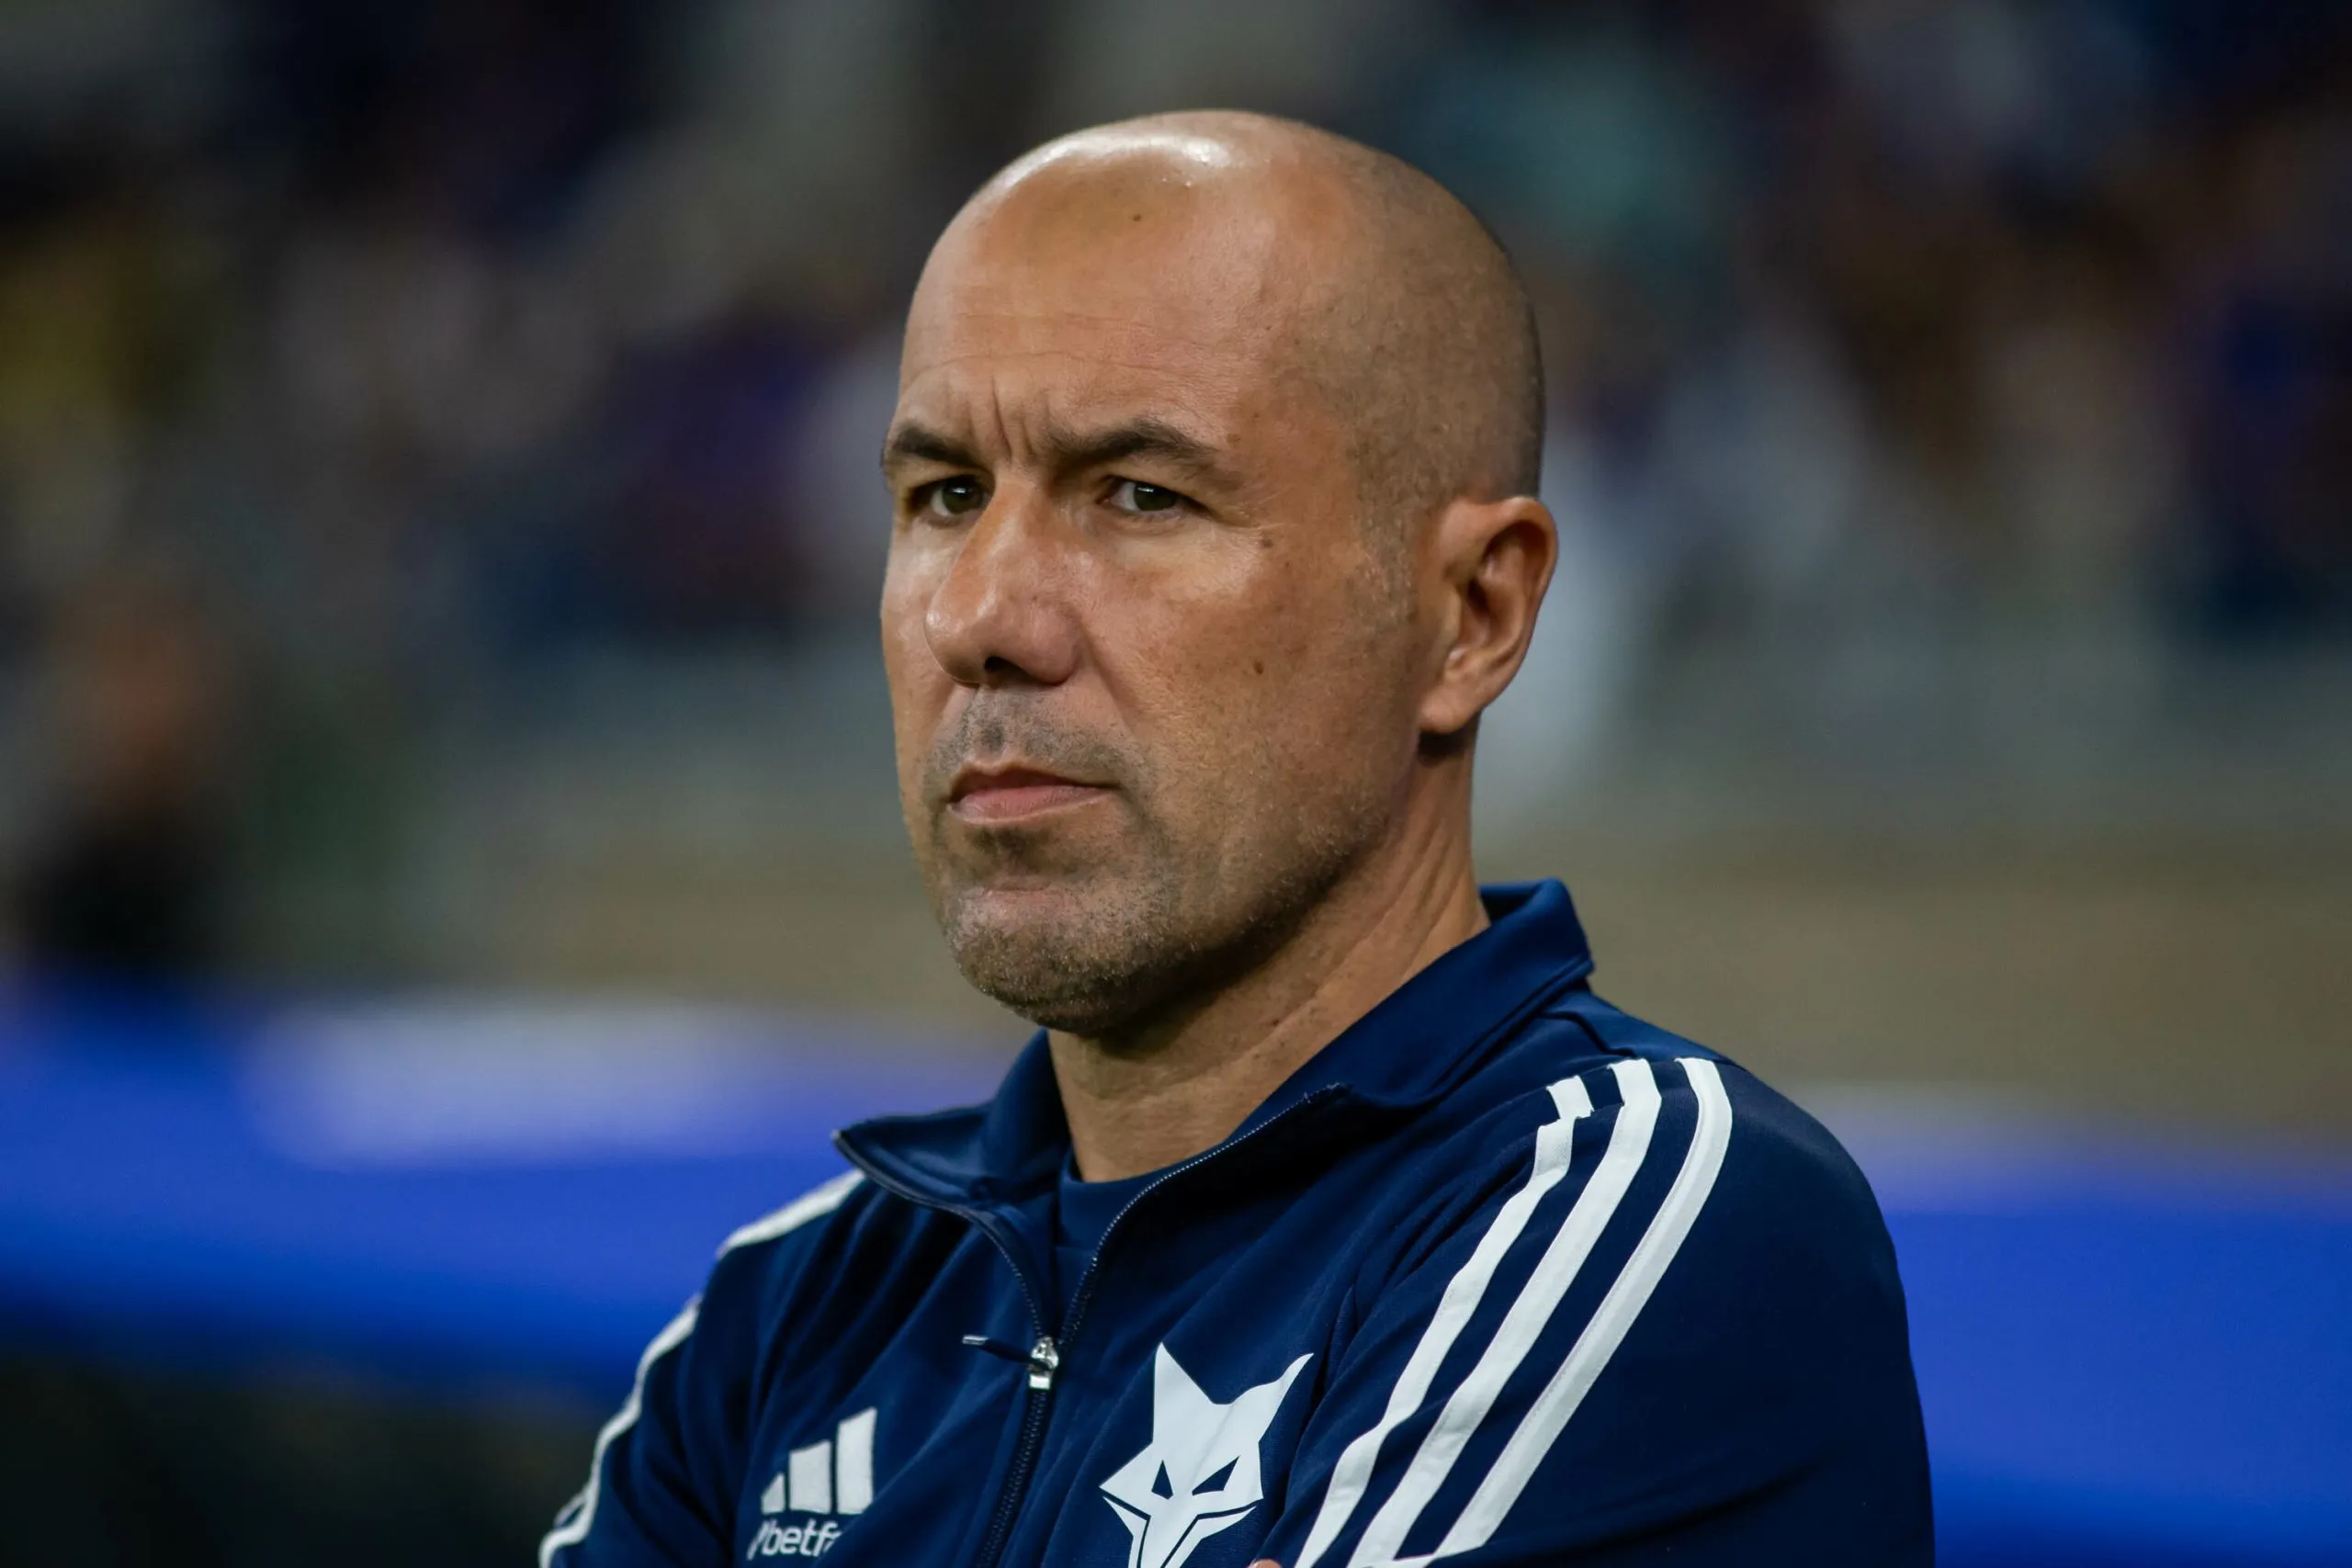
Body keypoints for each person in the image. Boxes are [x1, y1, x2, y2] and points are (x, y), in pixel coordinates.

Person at [542, 112, 1930, 1568]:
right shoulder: (793, 1314)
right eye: (944, 495)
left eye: (1143, 495)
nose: (981, 618)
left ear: (1474, 613)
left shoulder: (1648, 1224)